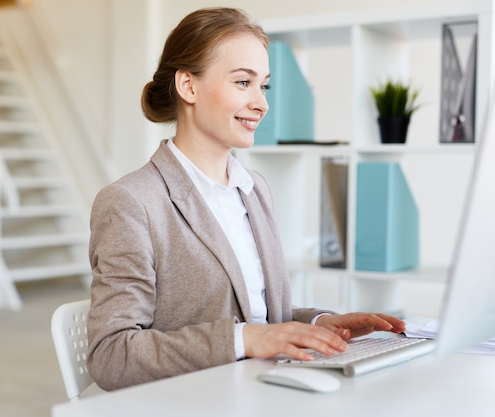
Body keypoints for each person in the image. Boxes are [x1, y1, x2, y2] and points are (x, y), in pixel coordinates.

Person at [87, 7, 405, 391]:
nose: (262, 103)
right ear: (188, 86)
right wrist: (244, 339)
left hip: (260, 388)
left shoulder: (253, 188)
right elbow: (110, 356)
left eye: (264, 86)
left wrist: (319, 324)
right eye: (243, 82)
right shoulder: (131, 203)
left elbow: (257, 316)